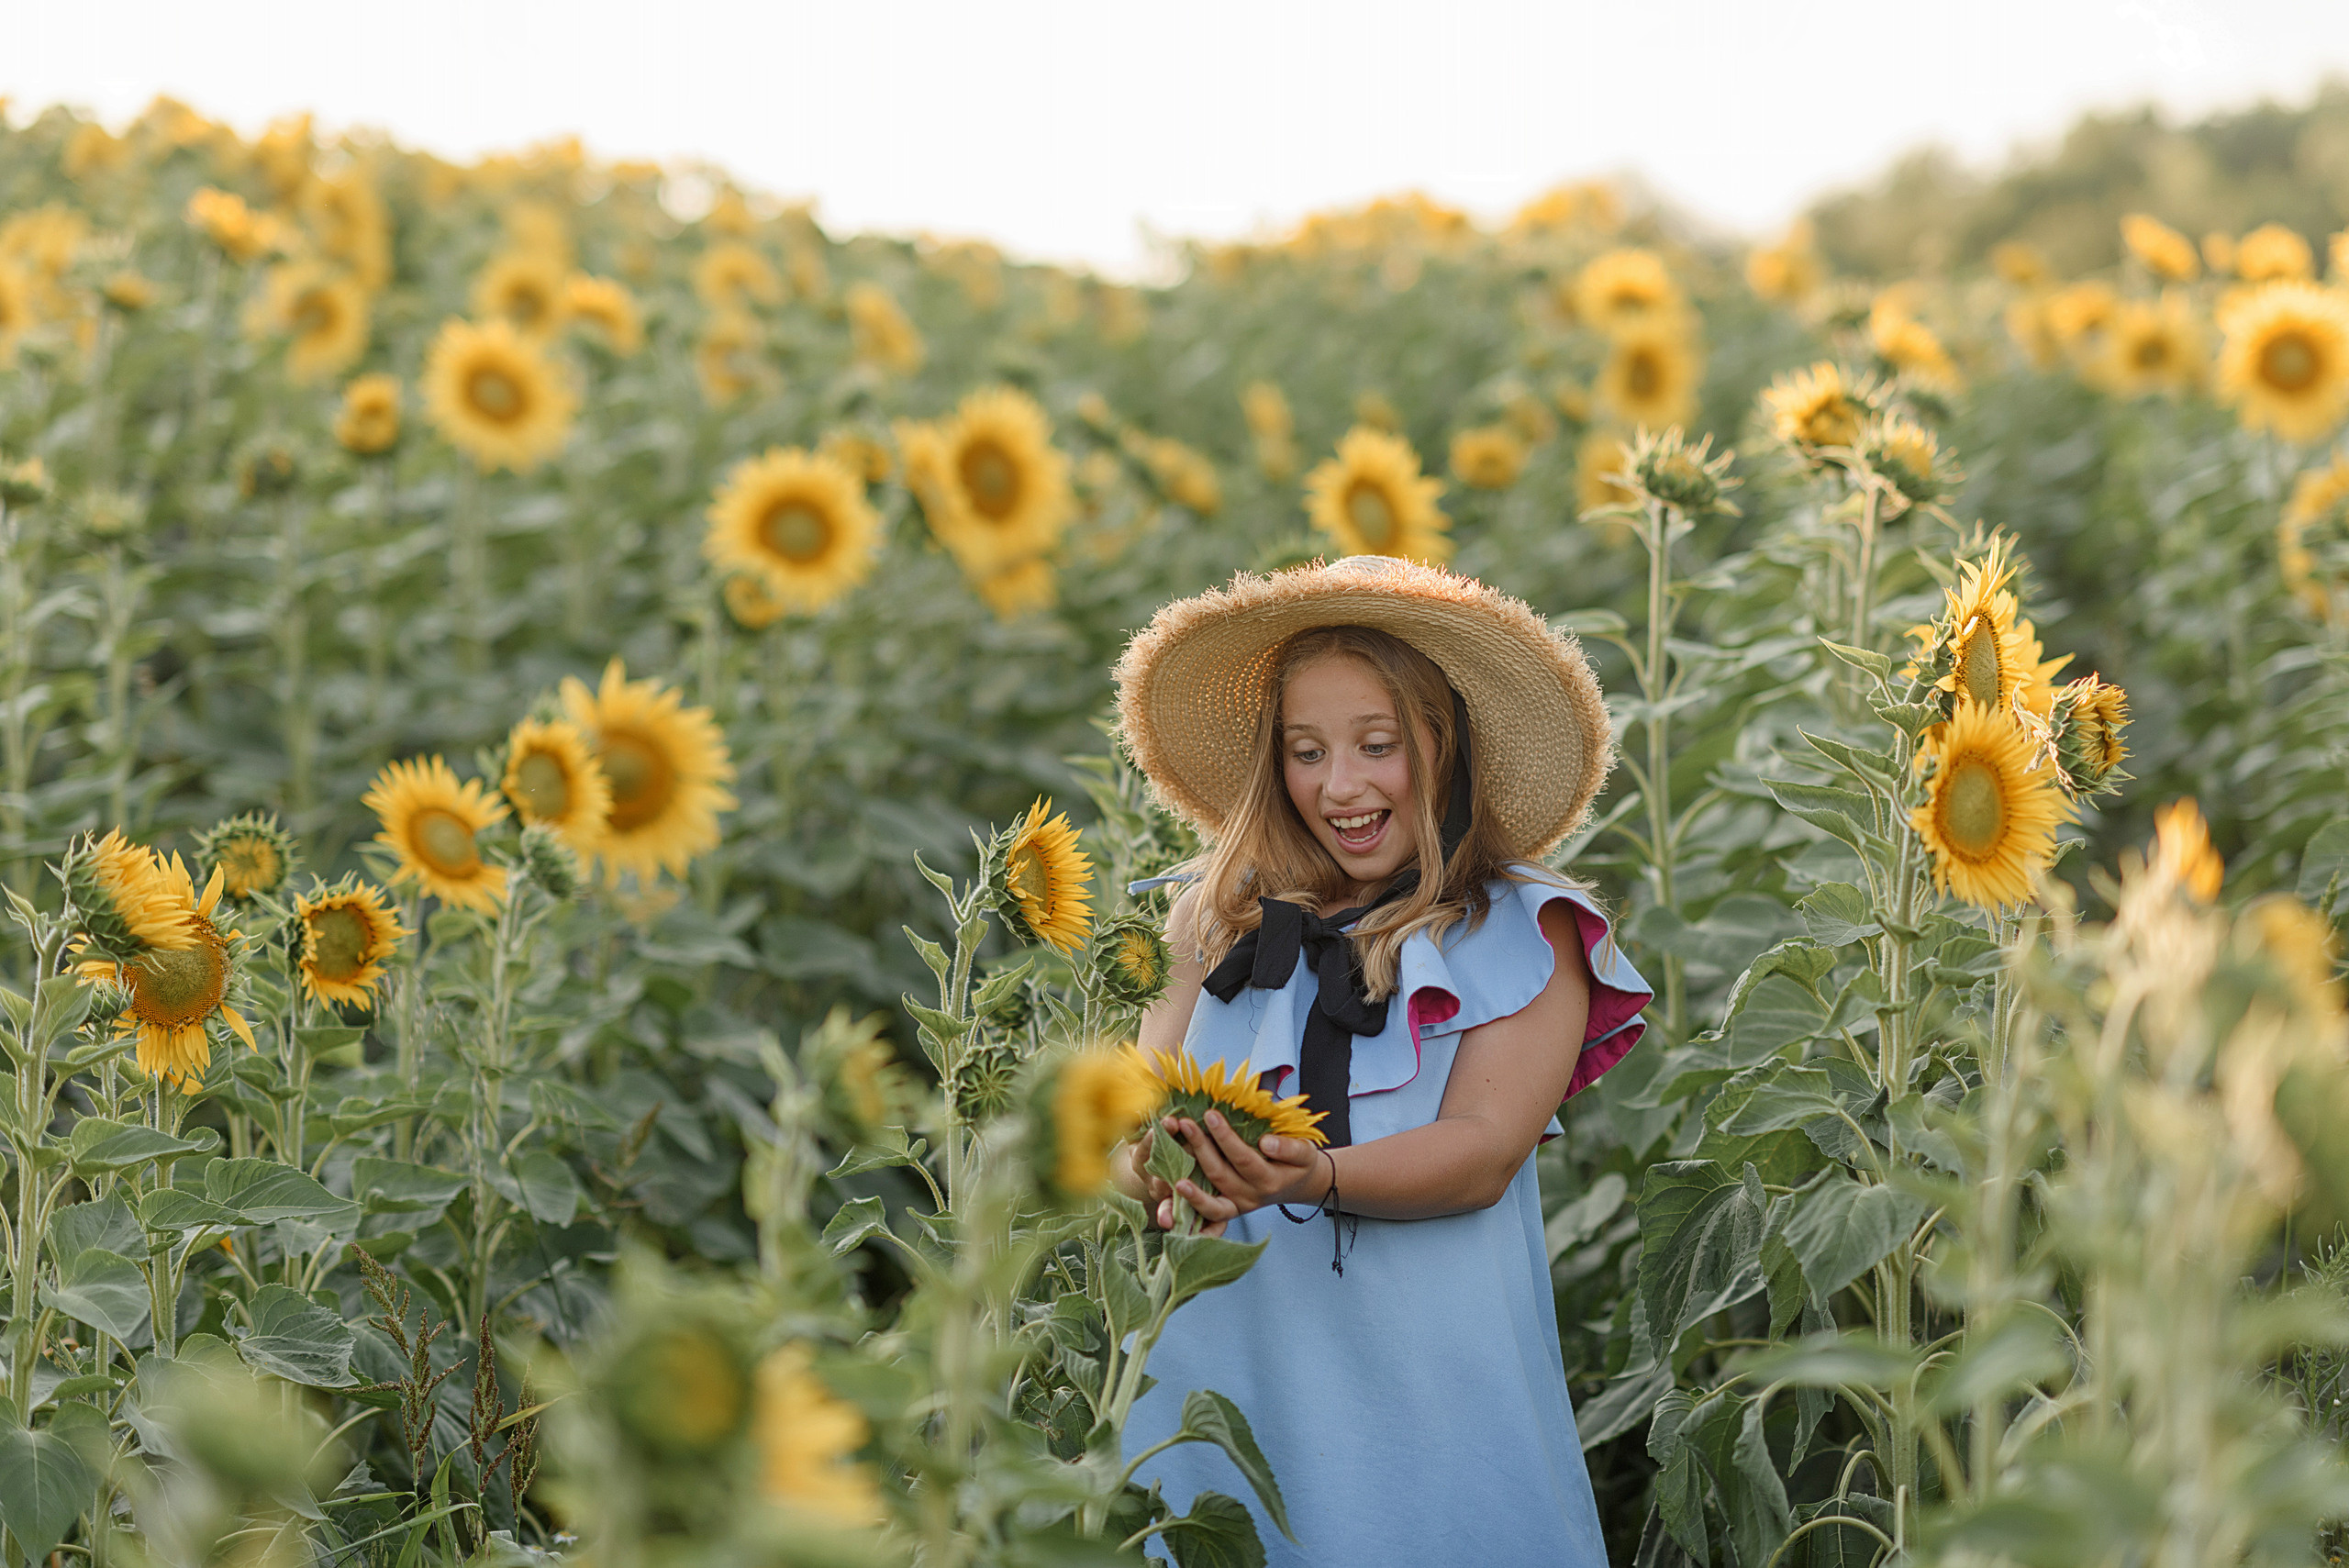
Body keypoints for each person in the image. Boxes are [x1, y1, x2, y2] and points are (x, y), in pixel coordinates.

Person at [1108, 554, 1652, 1566]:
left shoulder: (1523, 932)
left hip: (1422, 1400)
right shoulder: (1211, 919)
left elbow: (1482, 1149)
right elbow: (1129, 1121)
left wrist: (1312, 1174)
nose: (1340, 785)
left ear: (1446, 744)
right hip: (1224, 1382)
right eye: (1305, 750)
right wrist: (1152, 1171)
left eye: (1377, 743)